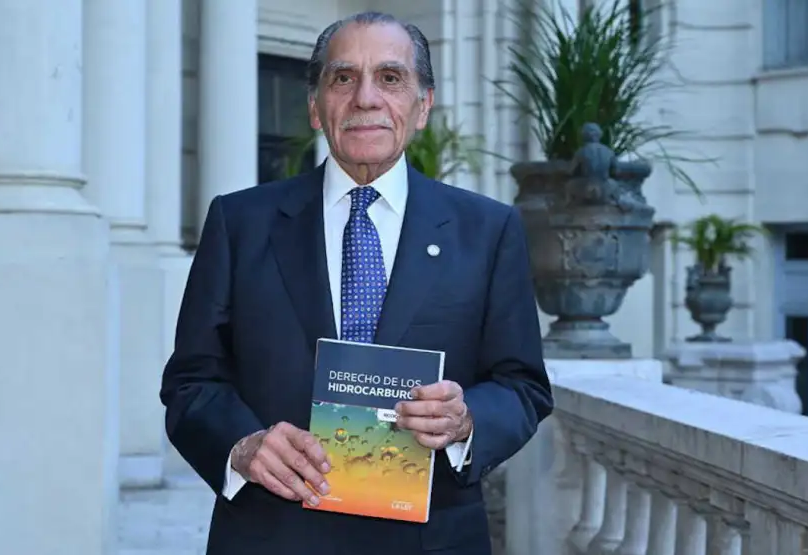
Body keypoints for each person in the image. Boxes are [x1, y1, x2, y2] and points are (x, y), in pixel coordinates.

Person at [160, 11, 552, 555]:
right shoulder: (239, 223)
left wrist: (466, 421)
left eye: (390, 78)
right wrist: (241, 446)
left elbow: (523, 386)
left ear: (423, 106)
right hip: (271, 535)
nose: (366, 98)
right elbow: (190, 382)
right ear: (315, 107)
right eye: (343, 78)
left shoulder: (487, 231)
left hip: (431, 540)